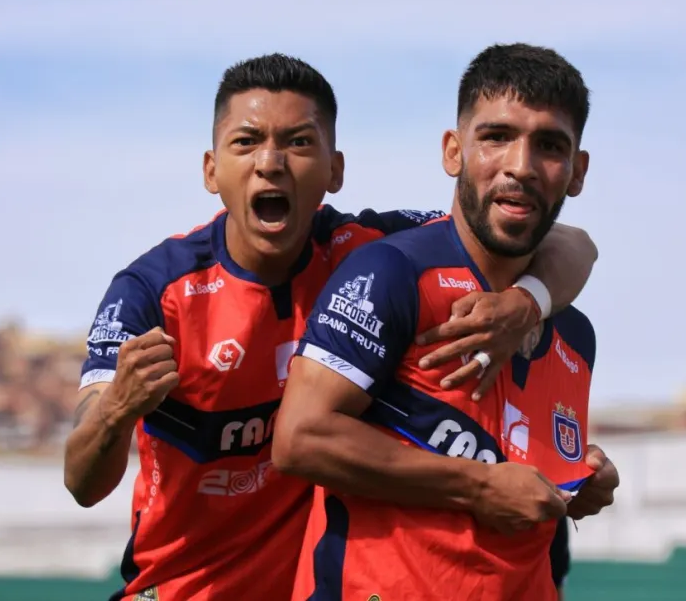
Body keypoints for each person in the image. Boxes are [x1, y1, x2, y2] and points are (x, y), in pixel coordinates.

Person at [63, 53, 600, 601]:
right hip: (182, 589)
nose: (270, 162)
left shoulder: (365, 252)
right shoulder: (153, 292)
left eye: (298, 142)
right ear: (210, 169)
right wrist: (114, 410)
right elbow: (81, 481)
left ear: (335, 169)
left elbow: (566, 240)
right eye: (246, 142)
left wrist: (526, 304)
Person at [272, 43, 620, 601]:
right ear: (453, 151)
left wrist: (575, 484)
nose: (520, 166)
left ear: (577, 172)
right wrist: (479, 487)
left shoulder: (575, 335)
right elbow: (299, 439)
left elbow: (519, 480)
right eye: (496, 136)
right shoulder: (391, 271)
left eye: (549, 146)